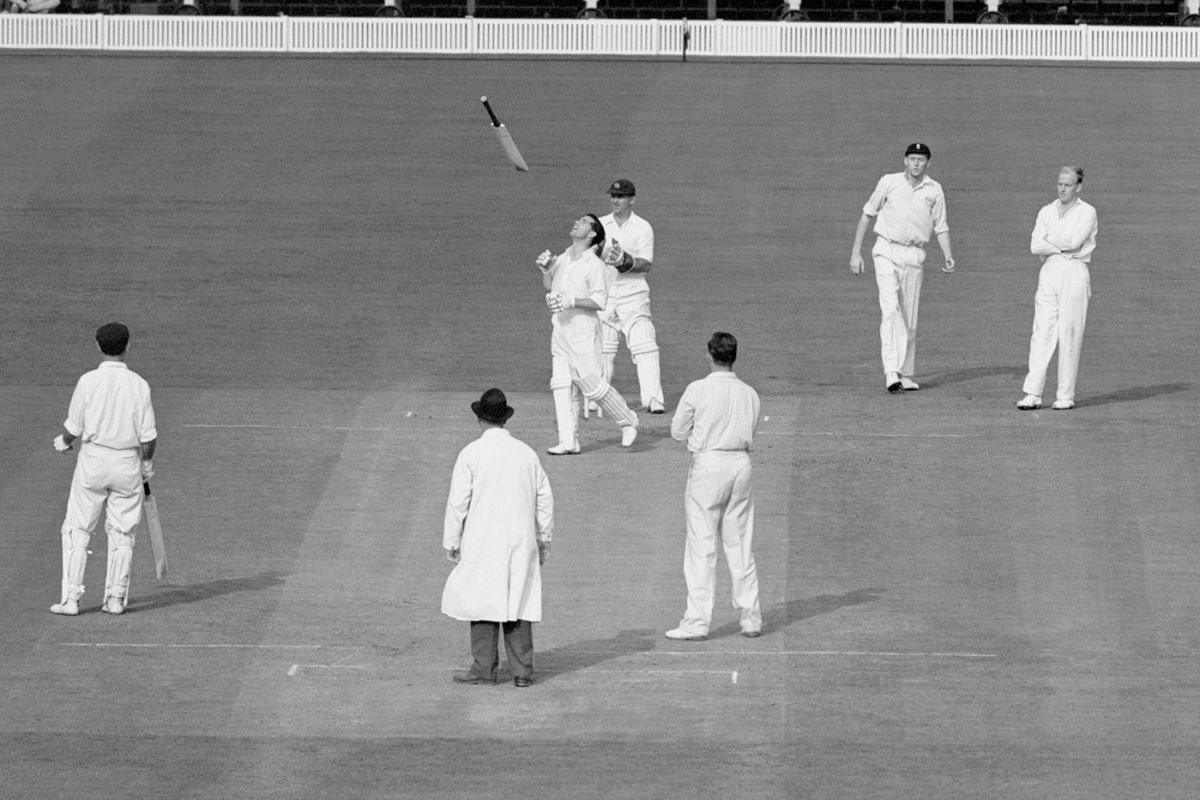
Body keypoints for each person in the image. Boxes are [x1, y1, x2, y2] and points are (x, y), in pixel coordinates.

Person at [441, 388, 554, 688]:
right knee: (519, 599)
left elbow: (457, 502)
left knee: (481, 599)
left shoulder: (471, 454)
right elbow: (545, 498)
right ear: (505, 419)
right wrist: (544, 538)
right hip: (520, 537)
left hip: (482, 539)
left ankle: (484, 668)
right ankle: (522, 672)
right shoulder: (526, 453)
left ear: (480, 419)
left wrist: (452, 540)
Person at [50, 322, 157, 616]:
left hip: (94, 461)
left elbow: (74, 426)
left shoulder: (88, 381)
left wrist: (63, 441)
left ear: (98, 346)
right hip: (126, 463)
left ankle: (71, 600)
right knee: (123, 532)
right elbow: (148, 437)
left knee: (77, 528)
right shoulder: (139, 384)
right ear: (128, 346)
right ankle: (115, 599)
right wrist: (146, 465)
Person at [665, 332, 762, 641]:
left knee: (701, 546)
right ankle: (751, 618)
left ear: (710, 355)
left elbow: (678, 432)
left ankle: (696, 622)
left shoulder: (698, 389)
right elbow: (752, 428)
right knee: (740, 544)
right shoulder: (750, 393)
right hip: (740, 465)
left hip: (709, 465)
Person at [849, 142, 956, 393]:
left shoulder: (934, 190)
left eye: (921, 159)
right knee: (890, 311)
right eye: (912, 159)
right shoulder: (889, 182)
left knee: (910, 317)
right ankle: (890, 372)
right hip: (886, 250)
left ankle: (905, 373)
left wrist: (948, 254)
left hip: (915, 254)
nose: (916, 163)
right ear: (904, 161)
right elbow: (867, 214)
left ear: (928, 163)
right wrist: (856, 253)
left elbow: (941, 226)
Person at [537, 212, 639, 454]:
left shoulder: (595, 265)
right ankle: (568, 440)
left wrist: (570, 301)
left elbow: (599, 301)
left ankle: (628, 420)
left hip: (583, 331)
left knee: (592, 386)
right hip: (560, 330)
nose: (576, 222)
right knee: (561, 385)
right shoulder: (562, 258)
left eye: (583, 222)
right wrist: (546, 270)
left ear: (592, 233)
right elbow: (550, 288)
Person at [1017, 166, 1099, 411]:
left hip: (1074, 271)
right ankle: (1032, 392)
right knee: (1041, 331)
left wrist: (1050, 240)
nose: (1063, 189)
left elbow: (1075, 243)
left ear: (1078, 187)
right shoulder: (1046, 211)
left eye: (1068, 185)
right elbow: (1034, 245)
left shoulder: (1088, 211)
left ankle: (1065, 394)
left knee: (1070, 331)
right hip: (1050, 271)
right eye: (1060, 184)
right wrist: (1058, 245)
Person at [598, 178, 665, 414]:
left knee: (644, 344)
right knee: (603, 350)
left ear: (632, 199)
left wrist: (624, 261)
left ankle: (653, 399)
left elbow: (646, 264)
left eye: (621, 196)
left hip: (633, 294)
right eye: (614, 196)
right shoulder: (600, 225)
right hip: (604, 295)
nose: (616, 200)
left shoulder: (643, 227)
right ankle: (599, 399)